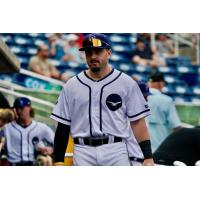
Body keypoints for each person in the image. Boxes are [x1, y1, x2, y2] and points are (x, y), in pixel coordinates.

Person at [51, 33, 154, 166]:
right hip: (83, 150)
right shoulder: (71, 85)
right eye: (89, 52)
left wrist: (148, 157)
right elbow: (63, 126)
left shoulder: (126, 83)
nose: (93, 56)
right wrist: (58, 160)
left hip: (115, 149)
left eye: (98, 51)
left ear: (109, 53)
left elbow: (138, 122)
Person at [0, 97, 54, 166]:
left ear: (29, 108)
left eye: (21, 108)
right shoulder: (7, 128)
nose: (19, 111)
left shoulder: (41, 127)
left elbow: (58, 142)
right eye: (17, 108)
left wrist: (51, 149)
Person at [147, 72, 182, 152]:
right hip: (160, 149)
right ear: (161, 84)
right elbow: (176, 126)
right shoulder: (167, 100)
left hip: (139, 150)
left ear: (149, 83)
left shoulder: (137, 97)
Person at [126, 81, 152, 166]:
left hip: (142, 160)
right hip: (131, 160)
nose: (147, 99)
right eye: (144, 96)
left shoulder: (142, 114)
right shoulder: (127, 114)